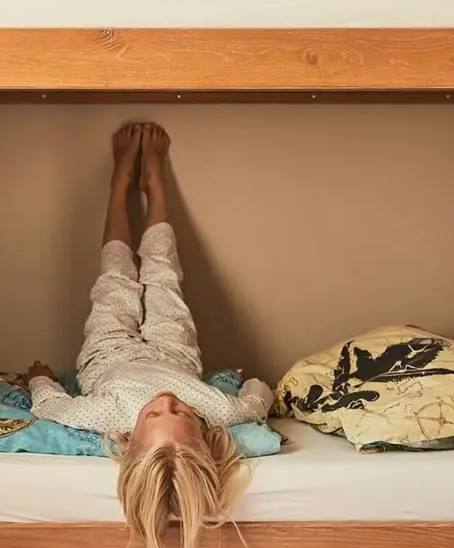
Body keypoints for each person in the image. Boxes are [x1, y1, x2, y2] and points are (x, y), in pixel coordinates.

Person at [25, 123, 273, 548]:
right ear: (203, 434)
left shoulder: (106, 419)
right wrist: (252, 383)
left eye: (154, 416)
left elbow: (51, 405)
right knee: (162, 269)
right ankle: (155, 185)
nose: (165, 402)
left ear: (129, 442)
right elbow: (258, 395)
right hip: (172, 349)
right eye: (181, 414)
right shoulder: (217, 412)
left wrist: (39, 377)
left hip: (108, 351)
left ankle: (119, 183)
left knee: (116, 270)